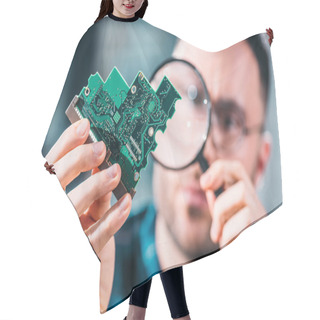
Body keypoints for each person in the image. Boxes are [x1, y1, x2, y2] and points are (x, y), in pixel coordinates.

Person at [111, 27, 279, 318]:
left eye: (229, 121)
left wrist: (259, 252)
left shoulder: (267, 275)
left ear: (261, 163)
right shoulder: (113, 251)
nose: (205, 149)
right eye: (190, 98)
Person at [42, 0, 192, 318]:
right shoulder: (94, 36)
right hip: (109, 163)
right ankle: (155, 315)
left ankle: (146, 315)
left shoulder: (158, 37)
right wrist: (55, 149)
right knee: (142, 228)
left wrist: (258, 44)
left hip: (151, 161)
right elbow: (74, 90)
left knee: (155, 228)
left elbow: (196, 69)